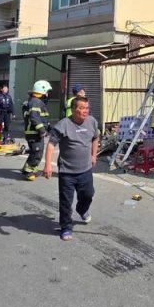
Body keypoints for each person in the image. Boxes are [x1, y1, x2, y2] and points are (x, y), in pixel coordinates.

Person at [42, 96, 99, 241]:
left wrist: (94, 155)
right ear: (73, 110)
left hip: (85, 169)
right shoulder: (63, 125)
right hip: (67, 171)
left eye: (86, 108)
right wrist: (47, 165)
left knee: (88, 194)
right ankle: (66, 227)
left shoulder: (92, 122)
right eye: (81, 108)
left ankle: (82, 209)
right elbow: (51, 144)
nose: (84, 111)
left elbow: (95, 137)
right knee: (66, 201)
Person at [21, 80, 52, 181]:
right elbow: (34, 117)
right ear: (42, 91)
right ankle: (29, 172)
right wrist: (42, 130)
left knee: (34, 152)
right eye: (47, 91)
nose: (48, 94)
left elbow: (41, 118)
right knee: (37, 153)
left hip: (34, 132)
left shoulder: (35, 101)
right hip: (34, 133)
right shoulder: (36, 102)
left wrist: (48, 127)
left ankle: (27, 169)